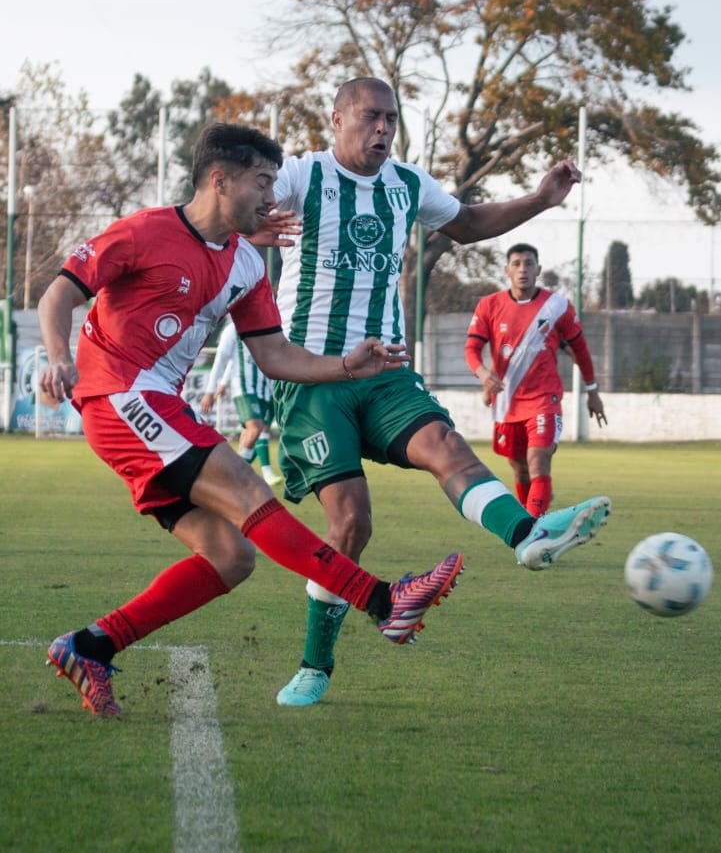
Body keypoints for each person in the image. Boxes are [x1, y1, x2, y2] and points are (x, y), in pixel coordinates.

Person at [36, 121, 465, 718]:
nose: (272, 197)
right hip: (118, 397)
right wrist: (59, 358)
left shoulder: (245, 264)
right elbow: (58, 294)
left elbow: (274, 355)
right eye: (262, 183)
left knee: (230, 556)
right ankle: (382, 601)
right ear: (220, 181)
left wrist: (346, 366)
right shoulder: (143, 232)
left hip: (161, 406)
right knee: (247, 488)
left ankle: (90, 646)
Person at [267, 76, 612, 708]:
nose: (382, 130)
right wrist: (250, 226)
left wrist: (540, 198)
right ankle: (316, 665)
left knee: (446, 445)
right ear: (337, 118)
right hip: (313, 375)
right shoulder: (300, 175)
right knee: (350, 525)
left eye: (391, 120)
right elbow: (245, 204)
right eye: (370, 117)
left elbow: (471, 221)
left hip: (386, 369)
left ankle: (527, 536)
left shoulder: (405, 183)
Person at [465, 243, 608, 518]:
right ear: (507, 270)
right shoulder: (489, 306)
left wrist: (592, 390)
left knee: (538, 460)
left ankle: (533, 531)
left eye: (529, 263)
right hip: (507, 402)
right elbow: (471, 349)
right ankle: (535, 513)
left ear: (538, 269)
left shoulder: (557, 306)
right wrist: (484, 375)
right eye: (516, 263)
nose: (523, 269)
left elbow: (580, 349)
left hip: (545, 399)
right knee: (519, 467)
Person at [199, 320, 284, 486]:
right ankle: (238, 476)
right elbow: (222, 360)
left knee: (254, 431)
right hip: (244, 387)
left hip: (264, 387)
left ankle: (232, 475)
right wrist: (211, 390)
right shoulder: (232, 329)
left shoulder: (263, 327)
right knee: (255, 428)